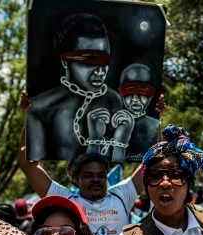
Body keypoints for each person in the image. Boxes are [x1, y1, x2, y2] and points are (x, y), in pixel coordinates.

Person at [19, 122, 144, 235]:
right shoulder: (66, 200)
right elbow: (28, 165)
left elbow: (151, 162)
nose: (96, 180)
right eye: (88, 176)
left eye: (101, 175)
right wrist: (29, 117)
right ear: (77, 179)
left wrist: (157, 117)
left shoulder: (122, 195)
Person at [27, 13, 133, 161]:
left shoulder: (115, 100)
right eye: (90, 59)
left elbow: (123, 162)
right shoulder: (39, 109)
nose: (100, 70)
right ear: (65, 60)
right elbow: (34, 165)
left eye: (105, 59)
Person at [119, 63, 160, 161]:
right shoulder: (109, 124)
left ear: (151, 94)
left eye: (143, 92)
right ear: (121, 92)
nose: (135, 99)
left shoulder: (157, 127)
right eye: (129, 91)